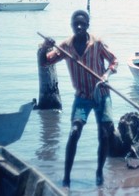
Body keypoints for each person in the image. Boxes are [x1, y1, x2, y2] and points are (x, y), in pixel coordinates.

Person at [40, 10, 118, 187]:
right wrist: (45, 47)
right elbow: (45, 62)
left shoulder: (97, 43)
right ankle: (66, 177)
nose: (79, 26)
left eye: (83, 23)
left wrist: (106, 75)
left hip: (102, 94)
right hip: (82, 96)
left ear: (88, 25)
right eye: (76, 24)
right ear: (72, 25)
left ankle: (99, 172)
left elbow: (114, 61)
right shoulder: (66, 46)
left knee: (104, 134)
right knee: (74, 132)